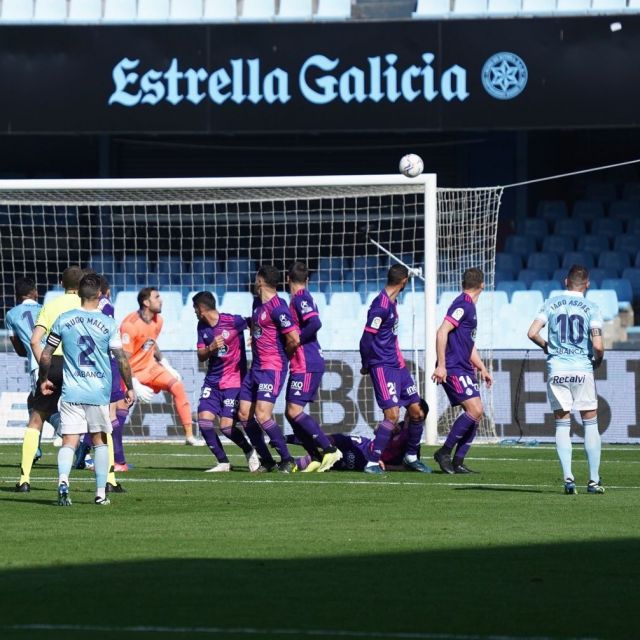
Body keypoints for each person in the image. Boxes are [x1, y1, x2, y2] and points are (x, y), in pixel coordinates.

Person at [38, 273, 135, 506]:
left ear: (79, 293)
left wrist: (43, 379)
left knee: (69, 441)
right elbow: (121, 358)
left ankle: (63, 481)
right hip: (98, 392)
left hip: (72, 391)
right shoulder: (108, 323)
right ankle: (101, 493)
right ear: (100, 294)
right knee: (99, 440)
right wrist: (129, 387)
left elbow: (45, 354)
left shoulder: (64, 318)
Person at [527, 264, 605, 495]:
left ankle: (568, 479)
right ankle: (593, 481)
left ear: (565, 281)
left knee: (562, 423)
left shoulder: (551, 303)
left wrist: (547, 347)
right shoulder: (591, 307)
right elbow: (598, 345)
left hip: (557, 369)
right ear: (587, 284)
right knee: (590, 422)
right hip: (582, 369)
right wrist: (597, 360)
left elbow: (532, 332)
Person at [14, 266, 83, 492]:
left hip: (54, 364)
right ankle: (108, 481)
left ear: (61, 284)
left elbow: (35, 341)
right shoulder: (89, 307)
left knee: (36, 419)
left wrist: (45, 368)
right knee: (99, 424)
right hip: (81, 368)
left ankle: (24, 479)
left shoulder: (50, 306)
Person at [359, 264, 430, 475]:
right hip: (382, 366)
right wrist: (366, 363)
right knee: (392, 415)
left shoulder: (393, 302)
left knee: (417, 411)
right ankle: (372, 462)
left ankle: (411, 457)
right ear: (404, 281)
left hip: (398, 367)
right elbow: (366, 339)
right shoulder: (380, 305)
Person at [236, 265, 301, 473]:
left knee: (263, 415)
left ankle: (287, 459)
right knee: (244, 415)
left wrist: (284, 356)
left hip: (272, 368)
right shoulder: (257, 304)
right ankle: (267, 460)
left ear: (261, 281)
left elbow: (294, 339)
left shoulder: (278, 307)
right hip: (255, 367)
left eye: (256, 279)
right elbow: (258, 326)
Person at [120, 287, 200, 446]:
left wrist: (166, 364)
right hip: (130, 372)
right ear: (146, 302)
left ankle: (190, 437)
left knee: (177, 386)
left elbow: (151, 342)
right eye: (156, 297)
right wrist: (134, 383)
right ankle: (105, 441)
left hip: (151, 368)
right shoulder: (130, 325)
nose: (161, 300)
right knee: (120, 409)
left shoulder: (158, 320)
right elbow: (123, 360)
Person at [431, 267, 493, 475]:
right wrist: (441, 365)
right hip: (453, 367)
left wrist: (482, 367)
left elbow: (468, 345)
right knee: (474, 410)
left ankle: (458, 461)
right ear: (482, 285)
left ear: (463, 283)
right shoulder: (463, 305)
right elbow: (442, 331)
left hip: (464, 367)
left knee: (477, 412)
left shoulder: (469, 307)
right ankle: (444, 452)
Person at [193, 290, 259, 472]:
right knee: (204, 421)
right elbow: (200, 355)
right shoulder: (201, 326)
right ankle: (223, 462)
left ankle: (249, 450)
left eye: (195, 309)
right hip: (212, 382)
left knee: (226, 427)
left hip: (234, 383)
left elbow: (253, 322)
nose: (195, 313)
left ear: (201, 308)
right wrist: (211, 348)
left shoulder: (232, 321)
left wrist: (254, 337)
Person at [285, 261, 341, 472]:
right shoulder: (300, 299)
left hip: (307, 361)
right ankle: (315, 455)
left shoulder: (301, 298)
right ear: (307, 280)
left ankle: (329, 449)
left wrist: (297, 339)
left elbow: (315, 323)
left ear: (287, 279)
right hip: (301, 362)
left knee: (294, 409)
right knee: (291, 412)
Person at [74, 275, 131, 473]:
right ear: (104, 292)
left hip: (87, 365)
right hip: (108, 363)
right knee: (110, 413)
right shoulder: (106, 306)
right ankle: (116, 461)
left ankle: (85, 446)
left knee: (113, 409)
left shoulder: (77, 311)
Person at [293, 399, 432, 473]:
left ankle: (294, 464)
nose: (414, 418)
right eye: (412, 413)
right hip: (365, 445)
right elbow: (377, 433)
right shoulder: (398, 426)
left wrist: (385, 466)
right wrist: (384, 429)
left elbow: (408, 467)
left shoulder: (413, 443)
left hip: (366, 459)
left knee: (333, 457)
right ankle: (291, 439)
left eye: (419, 417)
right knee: (332, 440)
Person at [5, 277, 46, 462]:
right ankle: (36, 446)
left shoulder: (12, 314)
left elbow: (19, 348)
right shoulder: (46, 309)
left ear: (17, 295)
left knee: (43, 406)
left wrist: (28, 352)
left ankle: (76, 445)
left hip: (38, 364)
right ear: (35, 292)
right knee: (34, 401)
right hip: (60, 360)